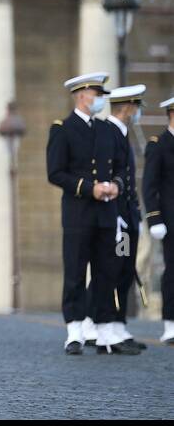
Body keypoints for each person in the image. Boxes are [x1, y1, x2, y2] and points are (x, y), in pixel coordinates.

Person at [47, 72, 130, 355]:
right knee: (75, 271)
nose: (100, 101)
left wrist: (116, 186)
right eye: (97, 95)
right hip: (78, 212)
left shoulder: (107, 130)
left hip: (106, 212)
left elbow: (121, 167)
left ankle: (105, 328)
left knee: (107, 271)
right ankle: (75, 329)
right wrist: (88, 188)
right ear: (81, 96)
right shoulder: (63, 129)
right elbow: (55, 173)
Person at [100, 85, 146, 352]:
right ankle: (105, 326)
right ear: (127, 107)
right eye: (137, 106)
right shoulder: (108, 133)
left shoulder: (122, 132)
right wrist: (116, 215)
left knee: (126, 269)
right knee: (113, 269)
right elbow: (109, 175)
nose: (138, 112)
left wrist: (134, 213)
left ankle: (119, 325)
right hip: (115, 215)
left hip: (127, 214)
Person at [143, 95, 174, 345]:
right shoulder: (159, 145)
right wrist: (155, 218)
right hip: (171, 220)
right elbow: (149, 185)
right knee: (172, 272)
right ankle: (170, 324)